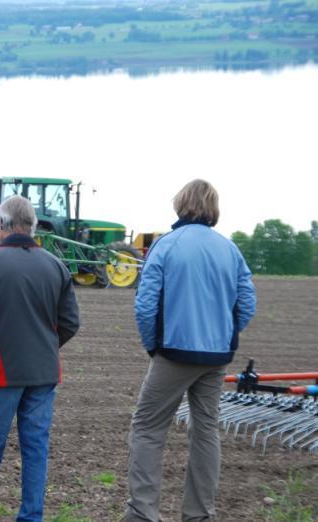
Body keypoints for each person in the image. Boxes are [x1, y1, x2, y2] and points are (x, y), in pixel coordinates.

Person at [123, 179, 256, 522]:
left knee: (148, 427)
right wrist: (225, 334)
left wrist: (153, 345)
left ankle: (143, 512)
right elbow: (247, 303)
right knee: (206, 429)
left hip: (173, 352)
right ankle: (199, 514)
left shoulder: (167, 245)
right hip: (215, 356)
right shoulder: (229, 249)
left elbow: (145, 305)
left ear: (180, 204)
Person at [0, 195, 81, 522]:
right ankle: (31, 516)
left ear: (2, 226)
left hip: (0, 371)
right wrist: (46, 347)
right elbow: (70, 323)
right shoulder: (56, 265)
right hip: (43, 373)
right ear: (32, 227)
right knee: (36, 450)